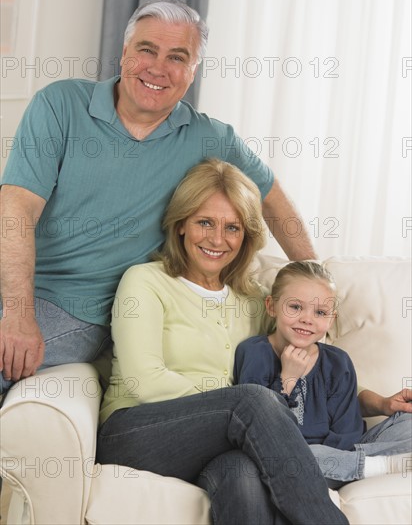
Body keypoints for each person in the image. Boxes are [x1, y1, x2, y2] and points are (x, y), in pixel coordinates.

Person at [0, 0, 316, 394]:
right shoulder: (60, 105)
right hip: (15, 291)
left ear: (193, 71)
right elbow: (16, 207)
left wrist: (315, 281)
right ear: (124, 54)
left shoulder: (207, 137)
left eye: (177, 57)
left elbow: (273, 199)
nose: (158, 68)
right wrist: (16, 311)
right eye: (147, 50)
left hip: (77, 310)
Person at [96, 159, 348, 525]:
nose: (217, 239)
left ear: (245, 236)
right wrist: (236, 404)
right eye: (204, 222)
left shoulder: (254, 300)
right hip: (135, 432)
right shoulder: (146, 282)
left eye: (232, 227)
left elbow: (311, 361)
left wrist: (373, 400)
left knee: (241, 475)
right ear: (181, 224)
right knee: (252, 400)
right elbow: (144, 380)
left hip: (221, 440)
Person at [234, 261, 412, 486]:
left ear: (331, 319)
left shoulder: (338, 362)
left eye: (320, 312)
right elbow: (257, 426)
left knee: (408, 421)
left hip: (338, 454)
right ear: (271, 306)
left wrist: (339, 460)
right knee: (297, 455)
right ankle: (380, 465)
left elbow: (348, 431)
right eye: (295, 307)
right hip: (285, 456)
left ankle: (361, 466)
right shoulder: (254, 352)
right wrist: (287, 379)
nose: (307, 319)